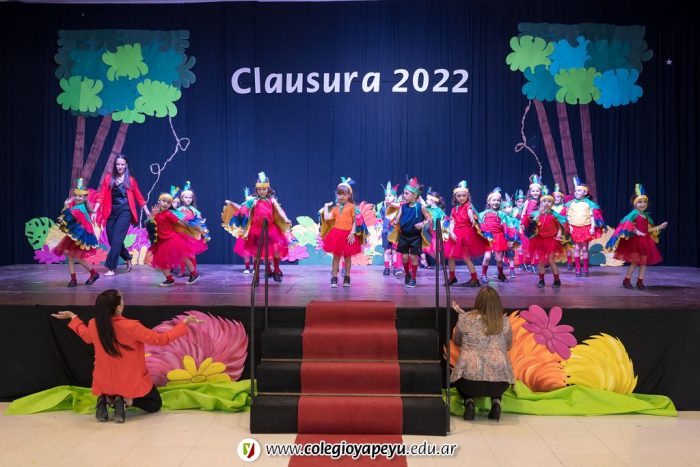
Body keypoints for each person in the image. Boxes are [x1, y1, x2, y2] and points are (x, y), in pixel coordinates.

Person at [51, 289, 202, 422]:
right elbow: (161, 339)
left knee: (115, 389)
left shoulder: (94, 324)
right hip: (129, 382)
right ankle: (125, 401)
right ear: (118, 307)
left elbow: (85, 336)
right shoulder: (131, 326)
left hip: (104, 382)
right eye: (122, 299)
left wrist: (73, 317)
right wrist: (184, 324)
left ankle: (105, 399)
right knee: (155, 404)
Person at [450, 287, 514, 422]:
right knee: (497, 377)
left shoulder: (465, 319)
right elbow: (508, 346)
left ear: (478, 301)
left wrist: (463, 317)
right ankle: (496, 402)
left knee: (463, 382)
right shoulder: (505, 321)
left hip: (469, 383)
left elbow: (456, 341)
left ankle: (469, 402)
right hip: (499, 385)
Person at [225, 172, 291, 285]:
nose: (262, 191)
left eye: (264, 189)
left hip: (270, 229)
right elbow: (243, 209)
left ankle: (276, 271)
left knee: (275, 250)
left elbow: (279, 210)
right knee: (257, 254)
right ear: (256, 190)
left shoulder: (272, 200)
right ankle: (256, 277)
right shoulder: (253, 201)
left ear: (268, 189)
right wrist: (241, 211)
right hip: (257, 230)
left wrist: (285, 218)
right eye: (259, 189)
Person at [94, 155, 150, 276]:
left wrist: (147, 211)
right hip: (111, 211)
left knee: (117, 239)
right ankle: (127, 257)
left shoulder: (130, 180)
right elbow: (101, 195)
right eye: (118, 164)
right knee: (112, 240)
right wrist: (94, 210)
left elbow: (139, 196)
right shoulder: (108, 178)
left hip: (125, 211)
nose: (120, 166)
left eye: (122, 164)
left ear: (126, 165)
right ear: (115, 165)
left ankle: (111, 268)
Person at [606, 184, 668, 289]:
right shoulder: (634, 213)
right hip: (636, 242)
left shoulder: (645, 215)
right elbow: (625, 222)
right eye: (640, 202)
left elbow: (646, 230)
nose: (643, 204)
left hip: (645, 242)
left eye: (644, 202)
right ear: (635, 204)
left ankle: (640, 282)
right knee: (634, 262)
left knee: (643, 263)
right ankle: (626, 280)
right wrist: (635, 230)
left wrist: (658, 227)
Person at [146, 190, 205, 286]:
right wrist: (152, 215)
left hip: (171, 239)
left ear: (170, 205)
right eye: (164, 201)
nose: (165, 204)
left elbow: (180, 222)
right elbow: (149, 224)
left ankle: (194, 274)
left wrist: (192, 227)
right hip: (161, 241)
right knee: (162, 261)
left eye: (168, 202)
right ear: (159, 201)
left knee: (184, 256)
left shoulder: (168, 214)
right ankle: (169, 279)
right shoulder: (156, 213)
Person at [53, 178, 101, 287]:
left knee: (78, 258)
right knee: (70, 256)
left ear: (84, 198)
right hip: (76, 234)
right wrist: (67, 205)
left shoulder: (79, 207)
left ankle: (94, 273)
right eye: (76, 196)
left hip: (81, 235)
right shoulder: (77, 207)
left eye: (80, 196)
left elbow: (67, 215)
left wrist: (66, 204)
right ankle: (73, 279)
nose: (78, 198)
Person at [320, 177, 366, 288]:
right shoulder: (335, 208)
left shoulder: (351, 207)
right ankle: (334, 277)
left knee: (347, 257)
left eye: (343, 194)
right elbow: (327, 217)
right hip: (337, 235)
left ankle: (347, 277)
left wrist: (353, 232)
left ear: (349, 195)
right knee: (336, 257)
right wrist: (326, 207)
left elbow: (355, 220)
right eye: (339, 194)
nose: (341, 196)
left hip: (348, 235)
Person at [388, 177, 432, 288]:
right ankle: (407, 274)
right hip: (404, 236)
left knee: (413, 257)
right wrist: (395, 222)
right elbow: (398, 218)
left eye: (406, 194)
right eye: (404, 193)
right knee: (404, 257)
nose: (404, 196)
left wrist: (422, 224)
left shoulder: (421, 207)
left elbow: (429, 219)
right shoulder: (403, 207)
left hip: (415, 236)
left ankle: (413, 278)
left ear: (415, 195)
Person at [445, 180, 490, 287]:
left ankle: (474, 279)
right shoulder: (454, 209)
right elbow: (452, 221)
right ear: (455, 197)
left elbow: (470, 212)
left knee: (466, 257)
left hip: (466, 234)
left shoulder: (468, 206)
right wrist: (451, 231)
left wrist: (472, 218)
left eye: (464, 195)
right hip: (456, 234)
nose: (461, 198)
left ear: (467, 196)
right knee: (451, 256)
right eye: (459, 196)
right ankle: (452, 277)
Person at [523, 185, 566, 288]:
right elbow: (531, 224)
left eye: (549, 201)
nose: (546, 203)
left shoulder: (555, 215)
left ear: (553, 203)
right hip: (539, 240)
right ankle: (541, 280)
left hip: (551, 240)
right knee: (541, 261)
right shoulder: (536, 214)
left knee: (551, 261)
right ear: (540, 203)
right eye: (544, 201)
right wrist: (539, 214)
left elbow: (560, 227)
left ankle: (557, 280)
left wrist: (559, 234)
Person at [562, 177, 605, 277]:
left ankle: (585, 268)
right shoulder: (571, 204)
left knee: (585, 249)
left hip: (586, 228)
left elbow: (592, 216)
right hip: (575, 228)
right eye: (576, 190)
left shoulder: (588, 204)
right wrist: (570, 226)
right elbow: (568, 216)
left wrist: (592, 227)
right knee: (577, 248)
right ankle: (578, 268)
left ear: (585, 192)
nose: (576, 192)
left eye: (579, 190)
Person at [479, 187, 514, 283]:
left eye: (498, 200)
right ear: (488, 201)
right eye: (493, 200)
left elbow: (507, 226)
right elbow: (480, 225)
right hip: (488, 238)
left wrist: (510, 238)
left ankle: (501, 274)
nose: (496, 202)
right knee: (487, 257)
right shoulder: (483, 214)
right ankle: (483, 275)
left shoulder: (502, 214)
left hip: (499, 237)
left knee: (499, 259)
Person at [375, 181, 402, 276]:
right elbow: (383, 219)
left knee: (394, 251)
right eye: (386, 196)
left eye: (389, 196)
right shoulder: (383, 209)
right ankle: (386, 267)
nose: (387, 197)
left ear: (395, 197)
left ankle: (396, 268)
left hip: (395, 232)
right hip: (386, 232)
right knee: (387, 250)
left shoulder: (398, 208)